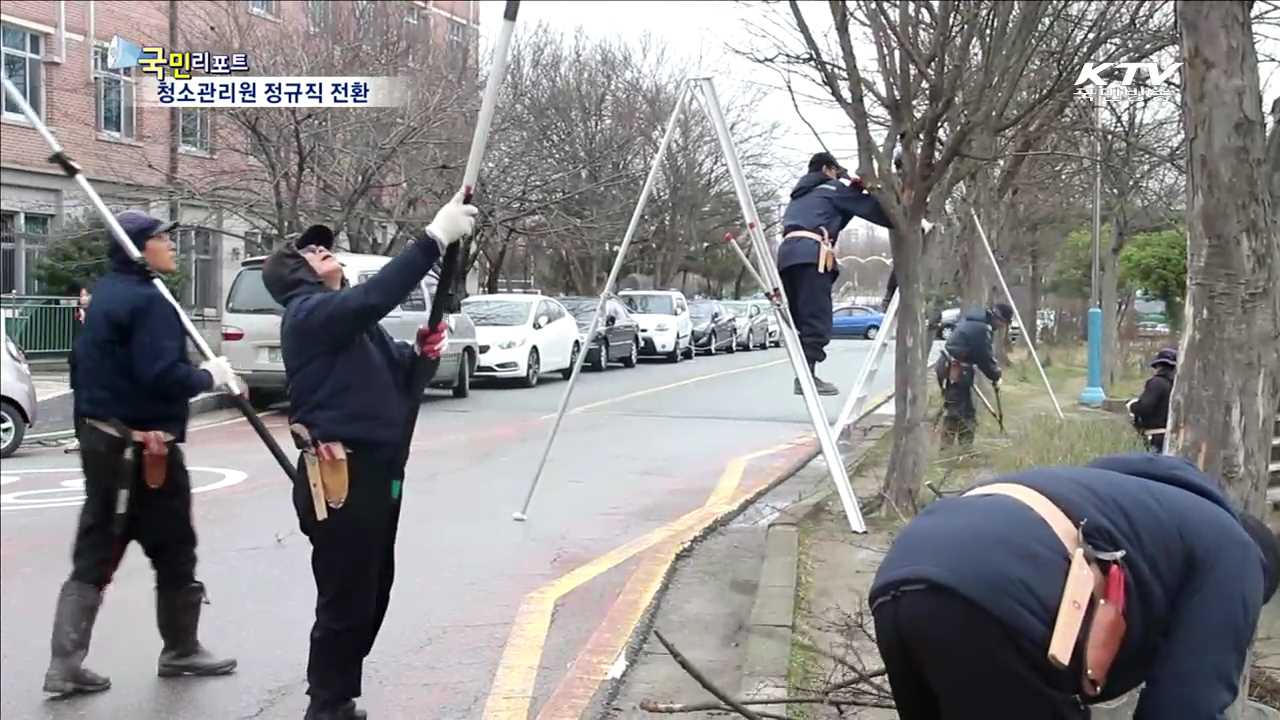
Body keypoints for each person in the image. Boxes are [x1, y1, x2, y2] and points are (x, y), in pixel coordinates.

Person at [261, 192, 476, 720]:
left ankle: (339, 695)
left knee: (372, 590)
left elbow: (400, 378)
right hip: (341, 478)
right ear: (297, 276)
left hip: (376, 473)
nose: (323, 252)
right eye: (311, 252)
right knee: (345, 595)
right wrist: (432, 239)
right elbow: (372, 298)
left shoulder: (353, 327)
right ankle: (326, 703)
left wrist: (424, 355)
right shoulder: (311, 315)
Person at [869, 452, 1280, 719]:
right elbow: (1184, 705)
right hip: (996, 600)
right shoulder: (1237, 554)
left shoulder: (1123, 499)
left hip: (900, 573)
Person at [44, 210, 241, 697]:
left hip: (108, 440)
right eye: (160, 239)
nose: (170, 246)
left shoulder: (109, 292)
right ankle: (170, 651)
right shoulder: (147, 302)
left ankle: (87, 659)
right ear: (137, 247)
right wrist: (208, 377)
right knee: (144, 546)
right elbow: (161, 374)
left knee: (134, 543)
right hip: (137, 450)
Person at [778, 152, 894, 396]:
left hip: (787, 257)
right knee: (817, 317)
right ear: (828, 169)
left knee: (802, 317)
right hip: (811, 255)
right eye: (835, 171)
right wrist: (869, 195)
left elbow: (836, 216)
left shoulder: (800, 196)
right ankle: (807, 377)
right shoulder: (831, 188)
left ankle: (805, 371)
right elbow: (873, 211)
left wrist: (850, 194)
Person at [933, 303, 1013, 446]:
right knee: (963, 414)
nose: (1001, 327)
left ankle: (953, 450)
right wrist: (996, 375)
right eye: (1002, 324)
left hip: (950, 368)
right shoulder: (981, 329)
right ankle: (959, 451)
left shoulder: (975, 321)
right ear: (999, 319)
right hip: (955, 371)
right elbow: (985, 358)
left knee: (956, 410)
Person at [1128, 348, 1176, 452]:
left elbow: (1145, 407)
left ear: (1158, 366)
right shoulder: (1177, 386)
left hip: (1155, 435)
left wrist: (1132, 406)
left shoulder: (1156, 383)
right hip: (1172, 437)